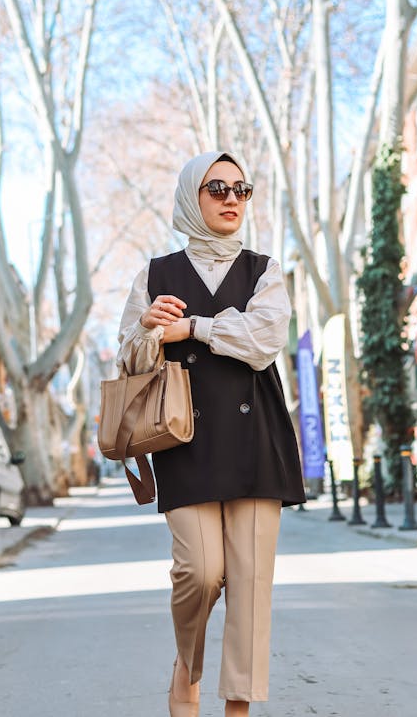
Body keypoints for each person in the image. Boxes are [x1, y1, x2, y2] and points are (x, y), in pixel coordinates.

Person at [117, 151, 305, 717]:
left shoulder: (265, 269)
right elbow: (127, 362)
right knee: (199, 573)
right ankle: (188, 663)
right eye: (216, 187)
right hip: (182, 439)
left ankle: (237, 708)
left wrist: (191, 326)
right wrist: (150, 332)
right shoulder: (154, 275)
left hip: (256, 440)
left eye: (241, 189)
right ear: (190, 197)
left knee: (249, 587)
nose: (231, 199)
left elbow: (263, 340)